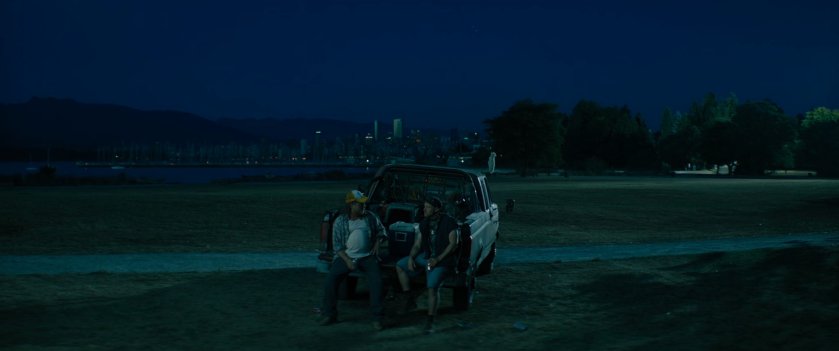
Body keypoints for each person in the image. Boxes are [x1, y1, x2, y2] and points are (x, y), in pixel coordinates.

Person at [318, 190, 387, 330]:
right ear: (351, 204)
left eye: (364, 203)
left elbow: (382, 231)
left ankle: (377, 318)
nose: (364, 206)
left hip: (367, 257)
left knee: (377, 282)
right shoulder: (340, 221)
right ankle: (329, 314)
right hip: (345, 257)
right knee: (331, 280)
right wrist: (348, 260)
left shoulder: (371, 217)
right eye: (360, 204)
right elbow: (337, 246)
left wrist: (378, 242)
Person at [394, 196, 459, 334]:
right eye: (424, 207)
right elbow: (418, 244)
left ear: (436, 209)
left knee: (432, 287)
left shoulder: (449, 222)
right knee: (400, 265)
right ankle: (409, 297)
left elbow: (453, 244)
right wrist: (411, 257)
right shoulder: (424, 223)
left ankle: (430, 321)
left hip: (443, 260)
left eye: (427, 207)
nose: (424, 209)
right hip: (427, 258)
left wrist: (438, 259)